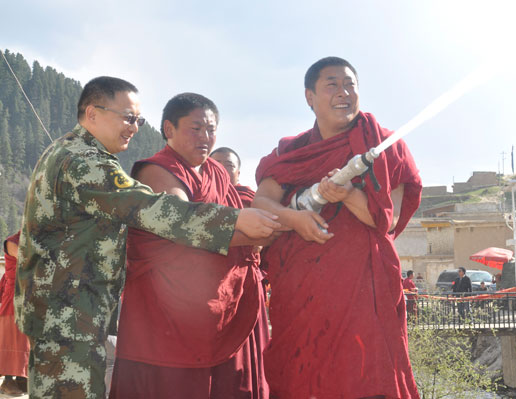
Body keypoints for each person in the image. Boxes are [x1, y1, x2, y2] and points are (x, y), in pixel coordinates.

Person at [14, 77, 280, 399]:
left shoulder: (70, 151)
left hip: (70, 311)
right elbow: (150, 208)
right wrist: (237, 219)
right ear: (92, 113)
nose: (134, 127)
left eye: (137, 119)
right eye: (127, 117)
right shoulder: (83, 162)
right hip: (69, 315)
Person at [253, 57, 422, 398]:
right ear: (309, 97)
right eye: (332, 85)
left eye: (350, 85)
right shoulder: (292, 150)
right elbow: (262, 203)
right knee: (301, 376)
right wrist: (296, 219)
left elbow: (385, 220)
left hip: (363, 290)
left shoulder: (386, 145)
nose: (343, 93)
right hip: (301, 290)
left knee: (365, 377)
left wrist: (347, 194)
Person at [109, 93, 272, 399]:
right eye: (195, 129)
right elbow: (183, 224)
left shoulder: (217, 173)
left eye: (211, 130)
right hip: (167, 313)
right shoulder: (156, 170)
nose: (205, 138)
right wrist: (250, 231)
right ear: (169, 129)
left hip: (220, 306)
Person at [0, 232, 29, 395]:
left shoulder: (36, 239)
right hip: (13, 297)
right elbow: (27, 259)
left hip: (30, 296)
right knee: (11, 340)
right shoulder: (11, 242)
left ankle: (22, 379)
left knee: (26, 340)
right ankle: (8, 381)